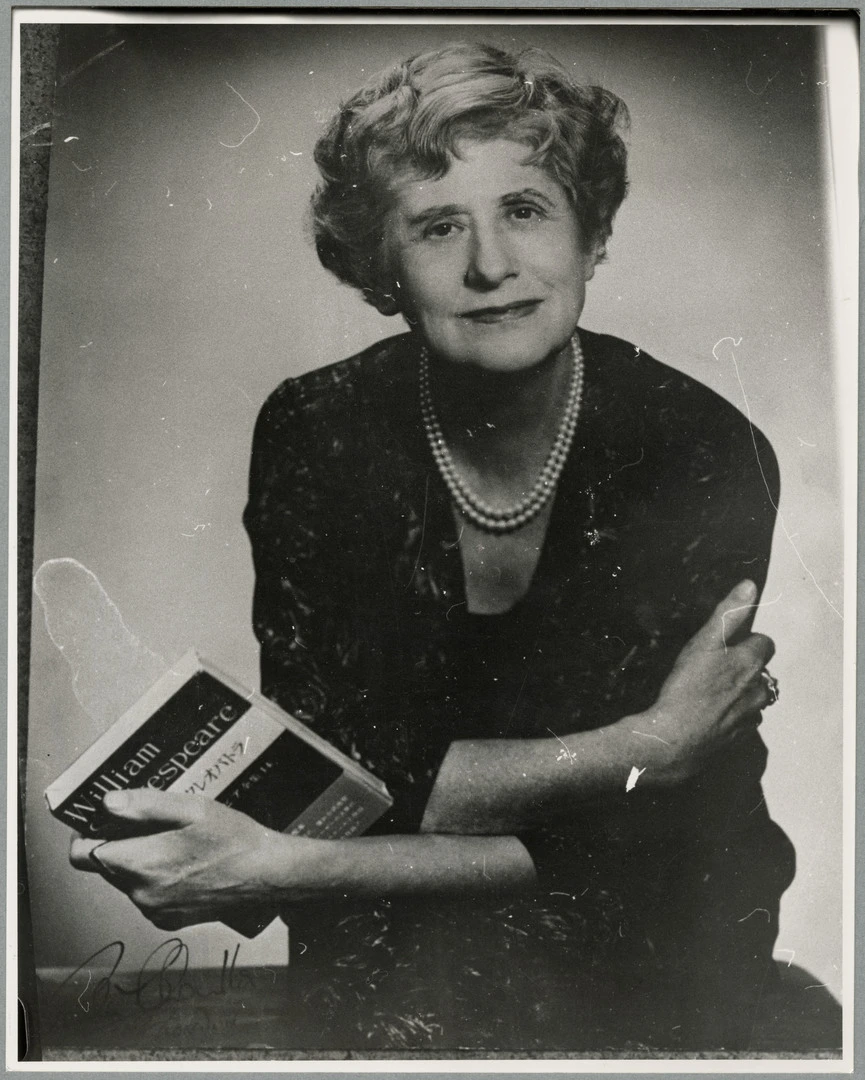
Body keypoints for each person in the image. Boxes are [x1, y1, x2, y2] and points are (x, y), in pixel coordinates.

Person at [71, 42, 795, 1051]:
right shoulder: (316, 430)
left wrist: (288, 866)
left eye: (526, 210)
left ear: (592, 238)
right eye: (438, 225)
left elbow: (640, 846)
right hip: (388, 927)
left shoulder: (701, 448)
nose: (489, 264)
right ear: (383, 269)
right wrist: (644, 749)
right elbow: (343, 781)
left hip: (660, 925)